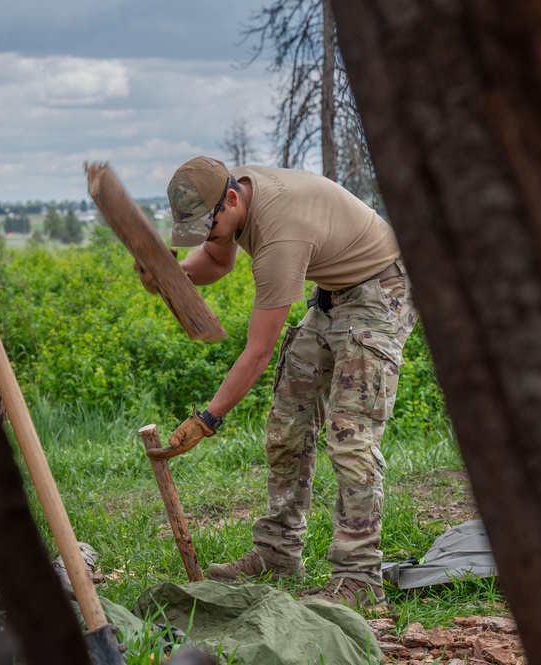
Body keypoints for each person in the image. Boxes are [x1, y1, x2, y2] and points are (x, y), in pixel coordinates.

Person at [137, 156, 417, 609]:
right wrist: (175, 274)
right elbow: (215, 261)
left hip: (381, 291)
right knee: (287, 424)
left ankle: (360, 576)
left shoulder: (280, 236)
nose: (207, 236)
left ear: (232, 199)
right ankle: (278, 553)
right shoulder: (230, 197)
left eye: (209, 226)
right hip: (333, 294)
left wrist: (207, 419)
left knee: (350, 436)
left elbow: (258, 353)